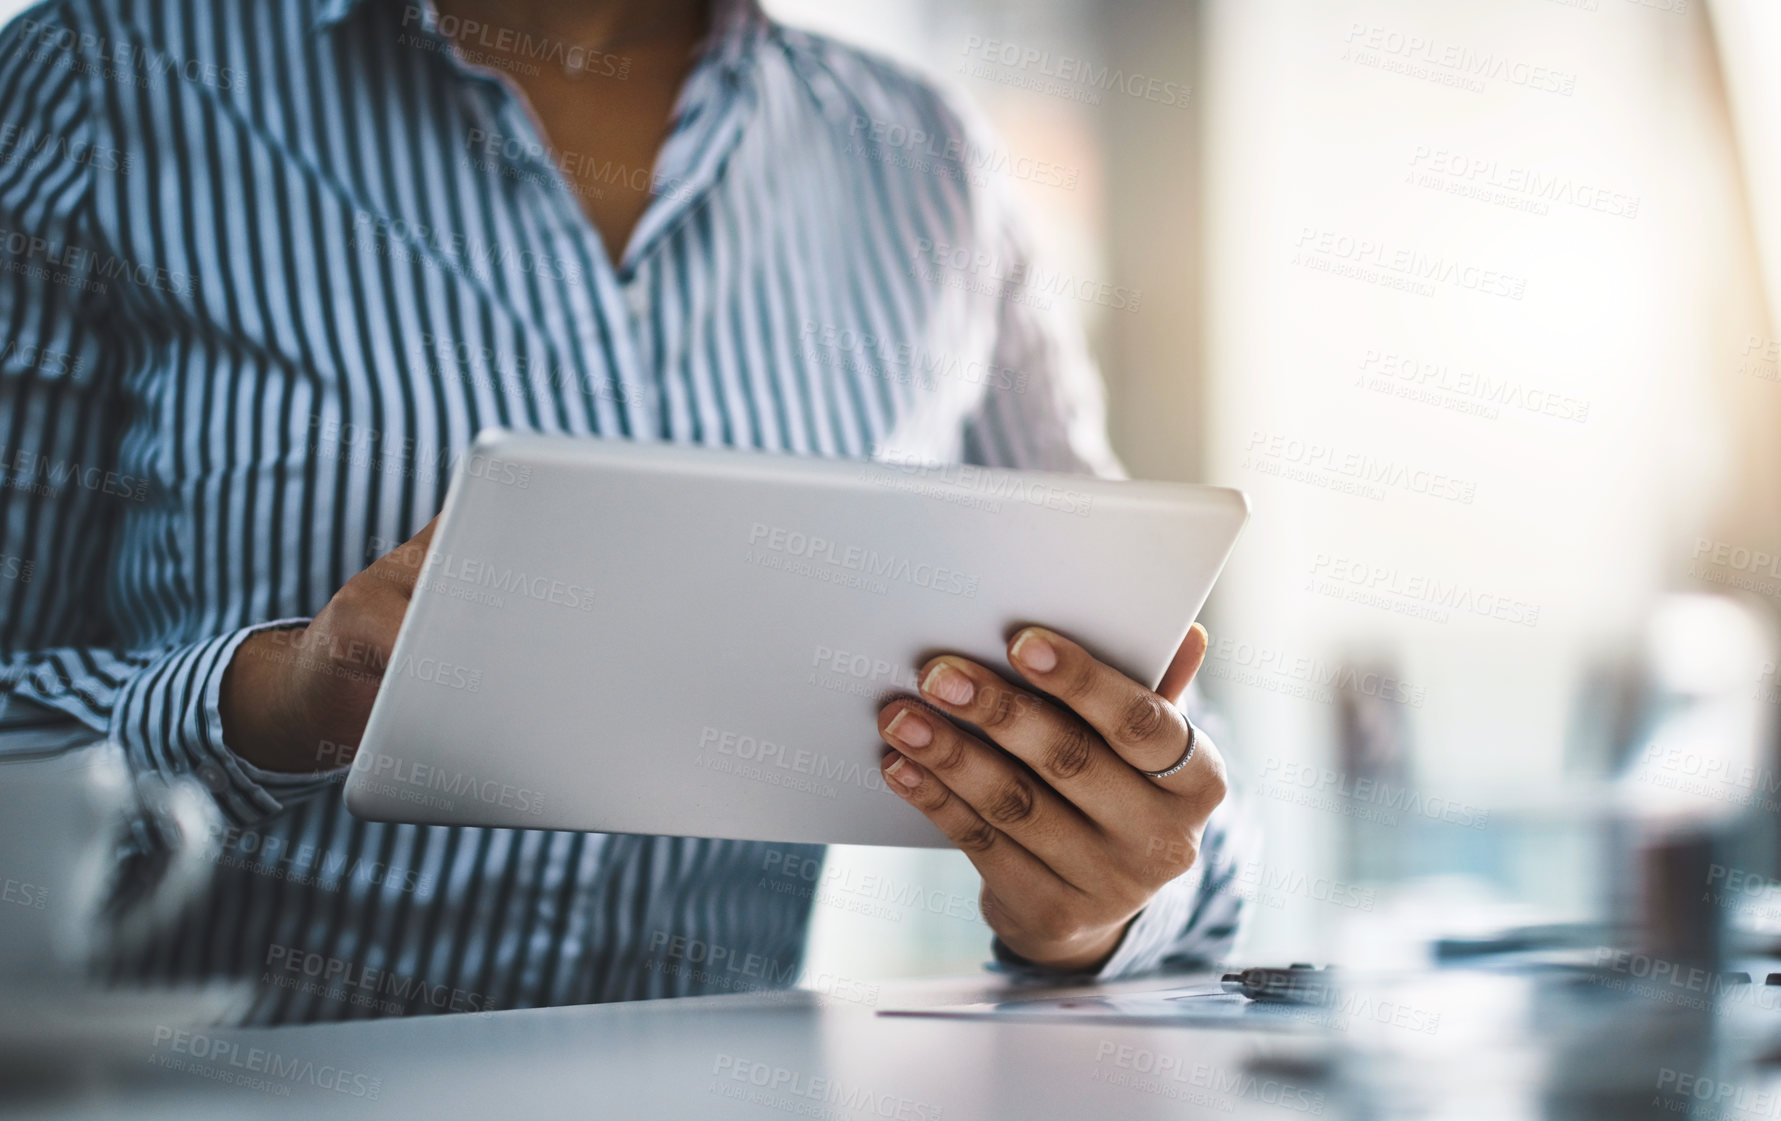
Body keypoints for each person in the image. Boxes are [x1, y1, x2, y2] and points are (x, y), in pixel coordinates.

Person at [0, 0, 1246, 1023]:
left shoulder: (926, 165)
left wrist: (1094, 905)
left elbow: (1157, 744)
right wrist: (267, 702)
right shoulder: (101, 84)